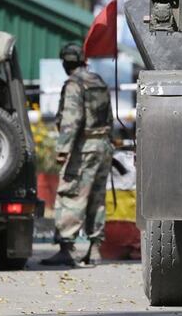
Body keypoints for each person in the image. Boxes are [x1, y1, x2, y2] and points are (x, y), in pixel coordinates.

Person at [41, 43, 115, 267]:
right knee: (96, 197)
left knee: (71, 194)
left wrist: (63, 149)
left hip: (84, 148)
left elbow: (71, 120)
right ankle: (94, 250)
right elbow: (109, 117)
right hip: (103, 145)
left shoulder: (75, 84)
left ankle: (67, 247)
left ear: (66, 62)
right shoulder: (98, 81)